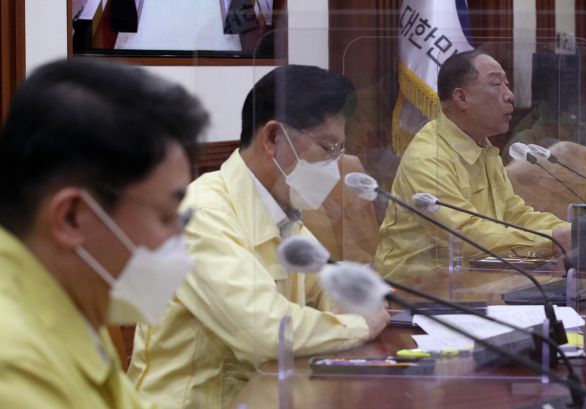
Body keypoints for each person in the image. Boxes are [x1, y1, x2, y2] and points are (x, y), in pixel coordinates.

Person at [128, 65, 390, 409]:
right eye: (327, 148)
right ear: (273, 138)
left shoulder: (283, 212)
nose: (333, 166)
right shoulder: (201, 215)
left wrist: (345, 312)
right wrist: (357, 326)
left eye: (338, 151)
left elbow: (329, 288)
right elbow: (266, 331)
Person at [0, 58, 208, 407]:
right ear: (71, 218)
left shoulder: (74, 301)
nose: (179, 240)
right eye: (165, 217)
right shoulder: (15, 366)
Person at [375, 50, 571, 283]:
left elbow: (513, 215)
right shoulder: (429, 158)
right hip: (417, 287)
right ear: (461, 98)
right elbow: (463, 235)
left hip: (472, 275)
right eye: (496, 84)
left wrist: (571, 231)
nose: (509, 95)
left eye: (507, 85)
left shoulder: (483, 147)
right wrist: (552, 240)